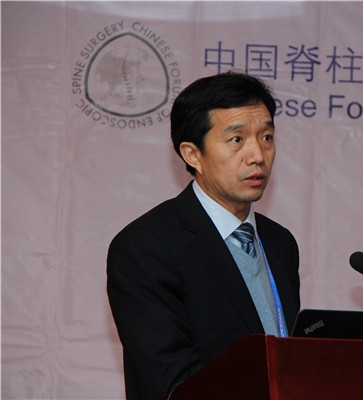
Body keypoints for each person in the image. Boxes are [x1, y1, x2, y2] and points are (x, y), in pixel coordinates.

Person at [107, 71, 301, 400]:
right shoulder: (145, 247)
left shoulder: (280, 242)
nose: (257, 155)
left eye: (266, 137)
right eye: (237, 140)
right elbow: (172, 382)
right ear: (193, 154)